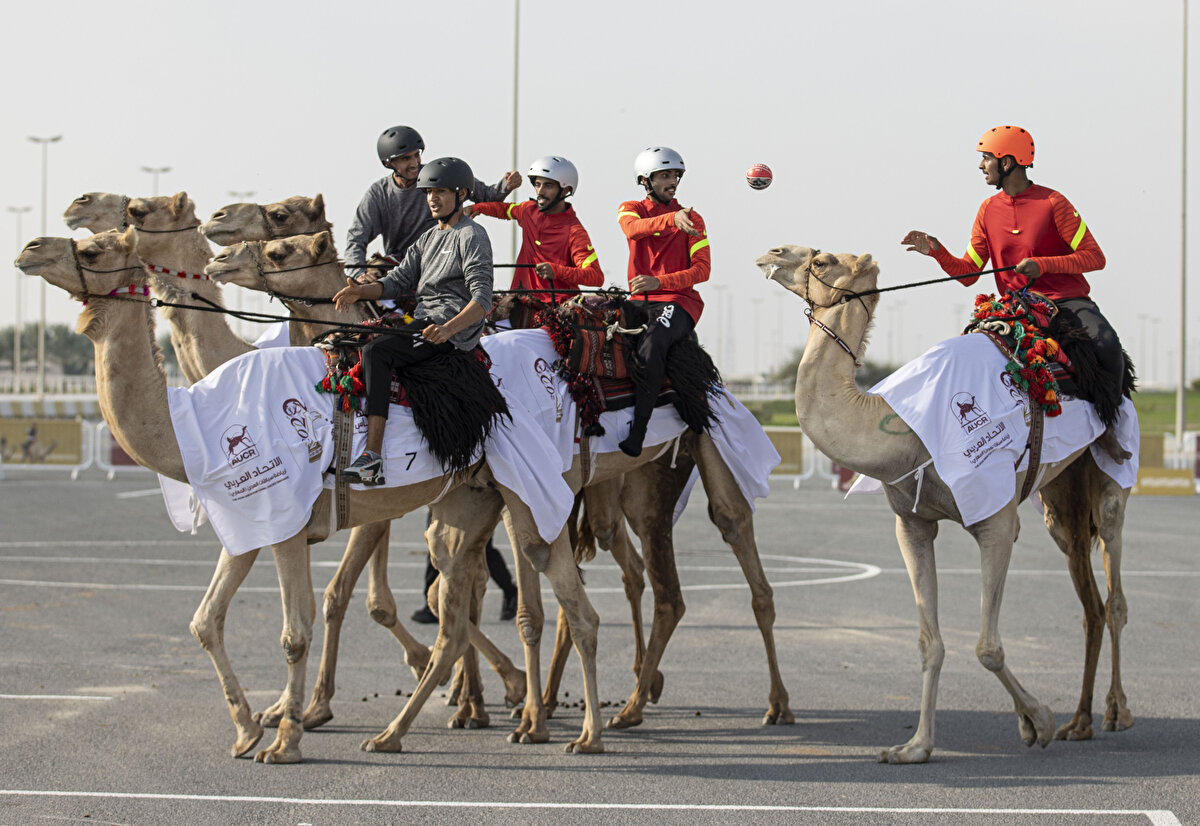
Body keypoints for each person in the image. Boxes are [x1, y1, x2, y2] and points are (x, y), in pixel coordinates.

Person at [900, 125, 1126, 428]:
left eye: (986, 158)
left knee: (1107, 345)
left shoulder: (1054, 203)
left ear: (1007, 163)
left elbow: (1095, 258)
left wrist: (1042, 265)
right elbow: (969, 273)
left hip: (1066, 302)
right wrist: (938, 252)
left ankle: (1113, 425)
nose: (981, 166)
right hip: (1016, 309)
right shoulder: (987, 210)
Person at [333, 157, 494, 485]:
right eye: (428, 192)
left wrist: (448, 330)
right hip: (422, 321)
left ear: (461, 193)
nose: (432, 198)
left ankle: (372, 459)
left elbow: (482, 300)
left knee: (377, 352)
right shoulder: (428, 238)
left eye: (441, 192)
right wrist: (361, 292)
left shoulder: (471, 235)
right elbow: (397, 281)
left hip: (447, 331)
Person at [615, 146, 711, 456]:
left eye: (676, 175)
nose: (673, 181)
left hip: (679, 301)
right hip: (638, 299)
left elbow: (702, 271)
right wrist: (672, 219)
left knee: (653, 343)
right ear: (645, 180)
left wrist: (661, 282)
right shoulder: (630, 207)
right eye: (665, 175)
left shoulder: (694, 218)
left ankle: (638, 431)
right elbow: (632, 229)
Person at [345, 125, 521, 283]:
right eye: (406, 159)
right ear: (388, 163)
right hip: (401, 266)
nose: (414, 164)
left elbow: (487, 196)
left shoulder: (440, 174)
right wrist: (358, 273)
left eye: (417, 155)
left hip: (444, 257)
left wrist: (506, 185)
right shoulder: (378, 194)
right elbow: (356, 238)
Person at [468, 155, 603, 309]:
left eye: (548, 186)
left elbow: (595, 276)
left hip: (554, 311)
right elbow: (503, 209)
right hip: (518, 305)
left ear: (565, 190)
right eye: (537, 184)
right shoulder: (528, 210)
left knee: (499, 335)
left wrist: (557, 271)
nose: (540, 191)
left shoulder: (575, 232)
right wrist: (476, 208)